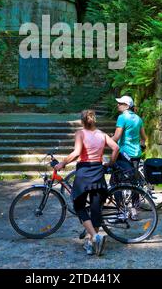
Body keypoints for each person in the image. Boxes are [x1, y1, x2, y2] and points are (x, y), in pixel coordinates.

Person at [54, 109, 119, 256]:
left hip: (84, 173)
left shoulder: (80, 133)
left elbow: (77, 153)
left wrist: (62, 163)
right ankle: (91, 243)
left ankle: (95, 237)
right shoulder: (102, 135)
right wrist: (109, 163)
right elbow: (116, 147)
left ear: (82, 121)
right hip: (98, 172)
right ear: (94, 120)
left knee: (79, 206)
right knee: (96, 209)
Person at [112, 95, 148, 220]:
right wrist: (141, 146)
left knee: (115, 182)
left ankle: (121, 210)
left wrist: (104, 142)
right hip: (136, 154)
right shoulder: (138, 118)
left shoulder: (122, 118)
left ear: (127, 106)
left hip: (123, 154)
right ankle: (134, 210)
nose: (118, 105)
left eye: (120, 103)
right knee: (134, 182)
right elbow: (144, 138)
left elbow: (116, 138)